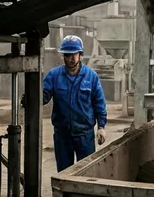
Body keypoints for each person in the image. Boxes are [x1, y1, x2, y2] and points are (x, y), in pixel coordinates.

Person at [42, 35, 107, 171]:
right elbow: (43, 96)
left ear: (80, 55)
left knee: (86, 172)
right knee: (64, 173)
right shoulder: (54, 75)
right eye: (67, 55)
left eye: (73, 55)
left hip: (85, 135)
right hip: (62, 135)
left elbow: (99, 103)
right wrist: (31, 97)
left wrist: (101, 127)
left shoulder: (91, 77)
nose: (70, 59)